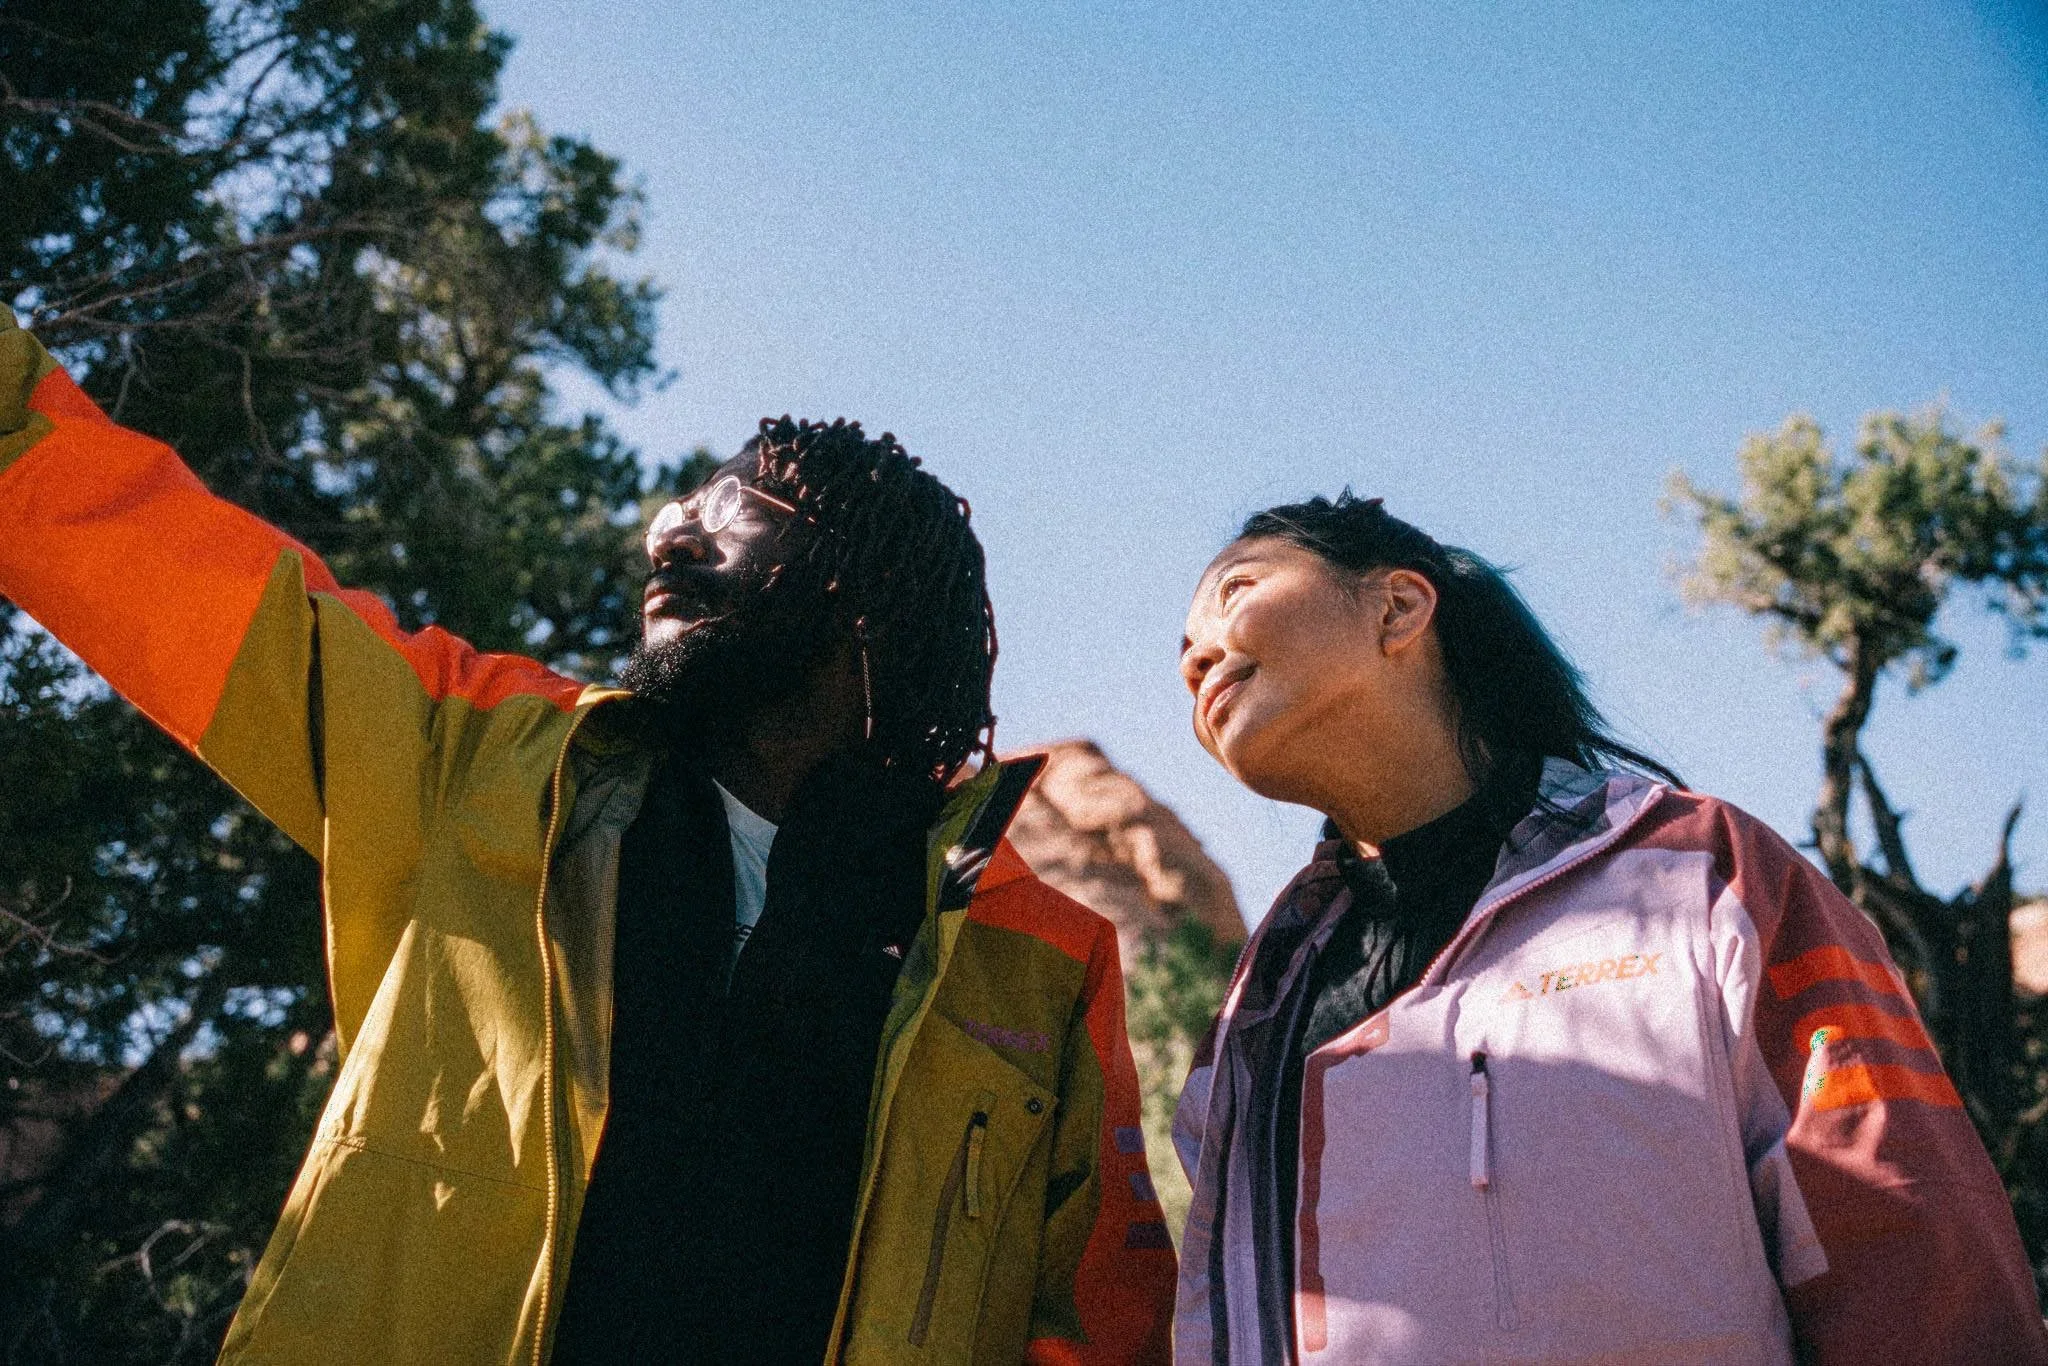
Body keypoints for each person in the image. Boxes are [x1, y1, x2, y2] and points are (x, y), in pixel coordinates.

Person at [0, 312, 1177, 1364]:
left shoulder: (1041, 957)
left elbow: (1101, 1330)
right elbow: (146, 552)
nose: (667, 532)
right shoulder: (478, 760)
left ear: (856, 599)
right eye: (680, 508)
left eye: (735, 515)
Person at [1169, 491, 2047, 1364]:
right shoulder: (1257, 1009)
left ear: (1399, 607)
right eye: (1181, 649)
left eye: (1236, 592)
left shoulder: (1705, 875)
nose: (1195, 658)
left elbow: (1913, 1252)